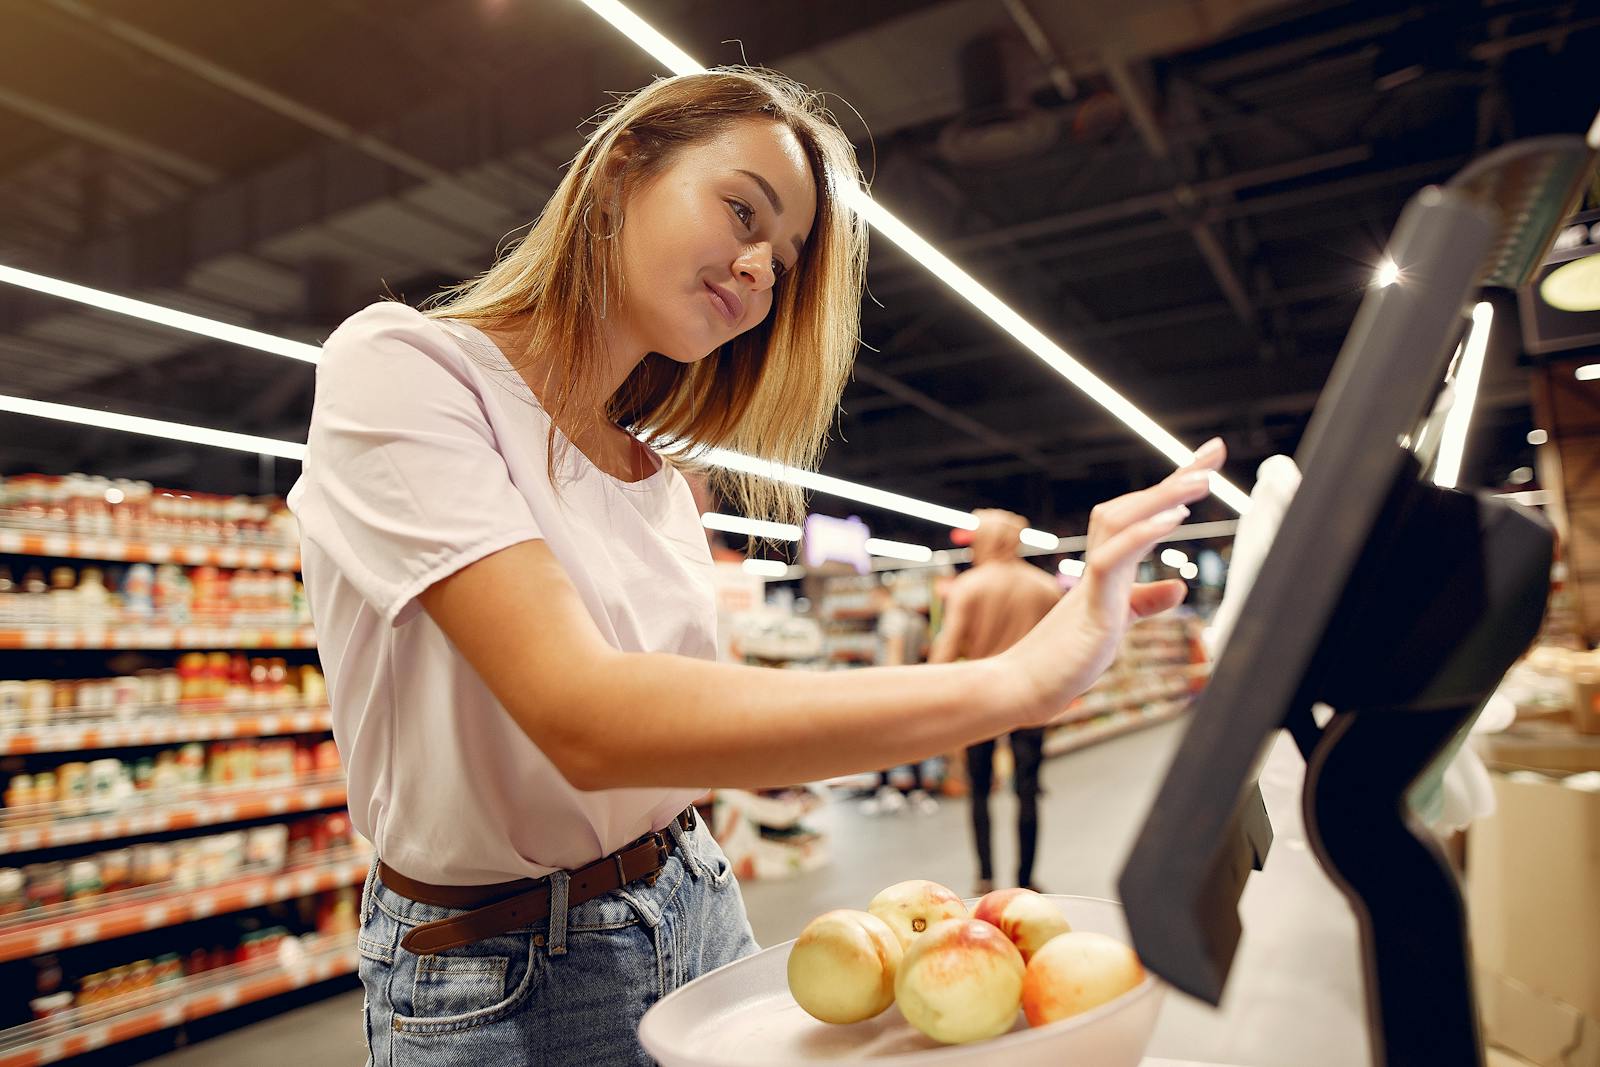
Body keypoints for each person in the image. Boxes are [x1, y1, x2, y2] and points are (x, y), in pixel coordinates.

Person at [289, 65, 1224, 1066]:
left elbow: (689, 718)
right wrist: (1011, 681)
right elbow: (586, 719)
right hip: (500, 961)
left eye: (782, 260)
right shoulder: (404, 368)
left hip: (693, 898)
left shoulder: (655, 478)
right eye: (741, 209)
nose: (757, 270)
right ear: (618, 175)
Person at [927, 510, 1065, 895]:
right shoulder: (1044, 587)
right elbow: (1061, 649)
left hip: (980, 702)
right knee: (1028, 791)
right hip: (1031, 701)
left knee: (980, 792)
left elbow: (945, 652)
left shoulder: (968, 587)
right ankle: (1026, 880)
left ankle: (985, 878)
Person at [861, 582, 939, 816]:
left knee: (881, 740)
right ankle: (916, 791)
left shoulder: (891, 618)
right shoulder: (910, 616)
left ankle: (887, 791)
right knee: (912, 739)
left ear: (879, 595)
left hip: (891, 687)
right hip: (909, 684)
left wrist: (886, 687)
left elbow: (894, 651)